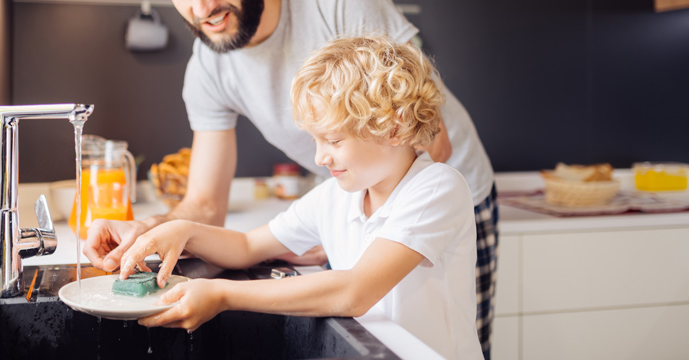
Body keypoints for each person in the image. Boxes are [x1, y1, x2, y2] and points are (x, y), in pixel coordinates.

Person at [84, 0, 498, 357]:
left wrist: (226, 293)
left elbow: (432, 146)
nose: (200, 9)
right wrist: (158, 230)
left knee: (455, 332)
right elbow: (207, 209)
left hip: (440, 178)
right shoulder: (211, 68)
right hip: (361, 182)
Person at [119, 35, 484, 360]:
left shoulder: (436, 188)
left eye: (335, 140)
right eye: (315, 140)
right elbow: (247, 246)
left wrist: (222, 295)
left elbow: (355, 291)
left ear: (395, 126)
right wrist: (184, 230)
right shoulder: (336, 196)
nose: (319, 158)